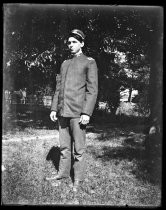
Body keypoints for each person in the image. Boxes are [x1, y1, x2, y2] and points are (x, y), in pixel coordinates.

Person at [46, 29, 98, 192]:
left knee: (79, 149)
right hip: (63, 112)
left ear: (82, 43)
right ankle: (62, 174)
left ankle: (78, 180)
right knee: (64, 147)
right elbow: (58, 88)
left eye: (74, 42)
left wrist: (86, 112)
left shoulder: (89, 62)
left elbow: (92, 90)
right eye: (69, 42)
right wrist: (54, 108)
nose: (70, 45)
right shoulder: (64, 63)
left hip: (78, 113)